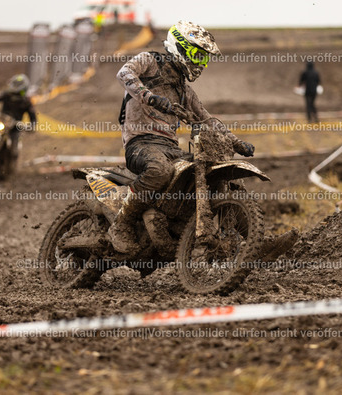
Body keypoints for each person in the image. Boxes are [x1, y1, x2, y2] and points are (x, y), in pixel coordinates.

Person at [109, 20, 255, 256]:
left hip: (170, 147)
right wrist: (148, 96)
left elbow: (206, 118)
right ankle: (122, 223)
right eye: (198, 56)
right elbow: (124, 73)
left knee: (210, 171)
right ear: (181, 48)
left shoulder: (184, 90)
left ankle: (247, 240)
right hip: (140, 143)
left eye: (204, 59)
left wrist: (236, 142)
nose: (202, 64)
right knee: (160, 170)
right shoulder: (150, 61)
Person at [0, 74, 37, 162]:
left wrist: (31, 126)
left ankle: (11, 167)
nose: (14, 92)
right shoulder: (6, 95)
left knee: (14, 152)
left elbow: (33, 118)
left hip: (15, 128)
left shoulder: (26, 102)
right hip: (1, 122)